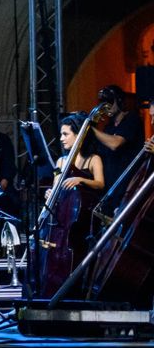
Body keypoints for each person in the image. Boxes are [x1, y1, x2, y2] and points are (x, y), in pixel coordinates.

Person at [44, 113, 107, 261]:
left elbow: (100, 183)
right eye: (61, 134)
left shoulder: (93, 159)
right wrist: (51, 193)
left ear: (78, 135)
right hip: (63, 217)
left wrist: (81, 179)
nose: (61, 139)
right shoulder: (60, 161)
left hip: (84, 218)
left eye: (65, 134)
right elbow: (56, 186)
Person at [88, 85, 147, 193]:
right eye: (103, 102)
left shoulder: (132, 119)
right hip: (111, 186)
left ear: (119, 101)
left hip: (127, 184)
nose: (106, 106)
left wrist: (90, 128)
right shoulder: (108, 128)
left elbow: (115, 143)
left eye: (110, 101)